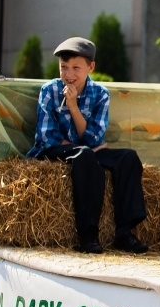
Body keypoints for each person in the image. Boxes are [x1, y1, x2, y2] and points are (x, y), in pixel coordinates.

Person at [26, 37, 149, 254]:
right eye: (64, 67)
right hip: (56, 151)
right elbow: (47, 136)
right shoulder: (50, 90)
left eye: (76, 68)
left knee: (127, 157)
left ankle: (124, 232)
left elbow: (94, 137)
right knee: (84, 154)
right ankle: (88, 235)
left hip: (87, 150)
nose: (69, 74)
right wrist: (82, 146)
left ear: (90, 67)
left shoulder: (100, 94)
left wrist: (73, 107)